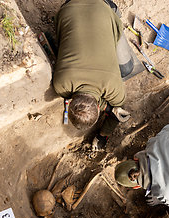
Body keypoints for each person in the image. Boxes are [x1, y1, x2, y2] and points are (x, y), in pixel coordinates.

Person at [53, 0, 130, 149]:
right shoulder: (61, 85)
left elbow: (118, 111)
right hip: (68, 8)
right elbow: (118, 110)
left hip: (97, 8)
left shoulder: (113, 87)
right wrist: (108, 114)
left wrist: (109, 111)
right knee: (126, 68)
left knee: (126, 68)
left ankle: (111, 9)